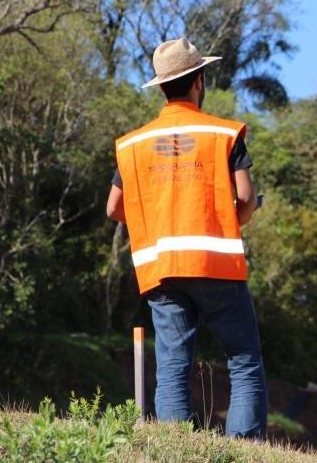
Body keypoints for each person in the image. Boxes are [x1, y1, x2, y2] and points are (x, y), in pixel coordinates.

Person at [106, 37, 267, 439]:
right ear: (199, 81)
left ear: (161, 87)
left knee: (173, 363)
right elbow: (245, 198)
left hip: (162, 269)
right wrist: (236, 219)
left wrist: (159, 224)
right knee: (243, 359)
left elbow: (113, 208)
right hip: (216, 264)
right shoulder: (223, 134)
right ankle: (245, 450)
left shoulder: (133, 144)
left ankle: (176, 448)